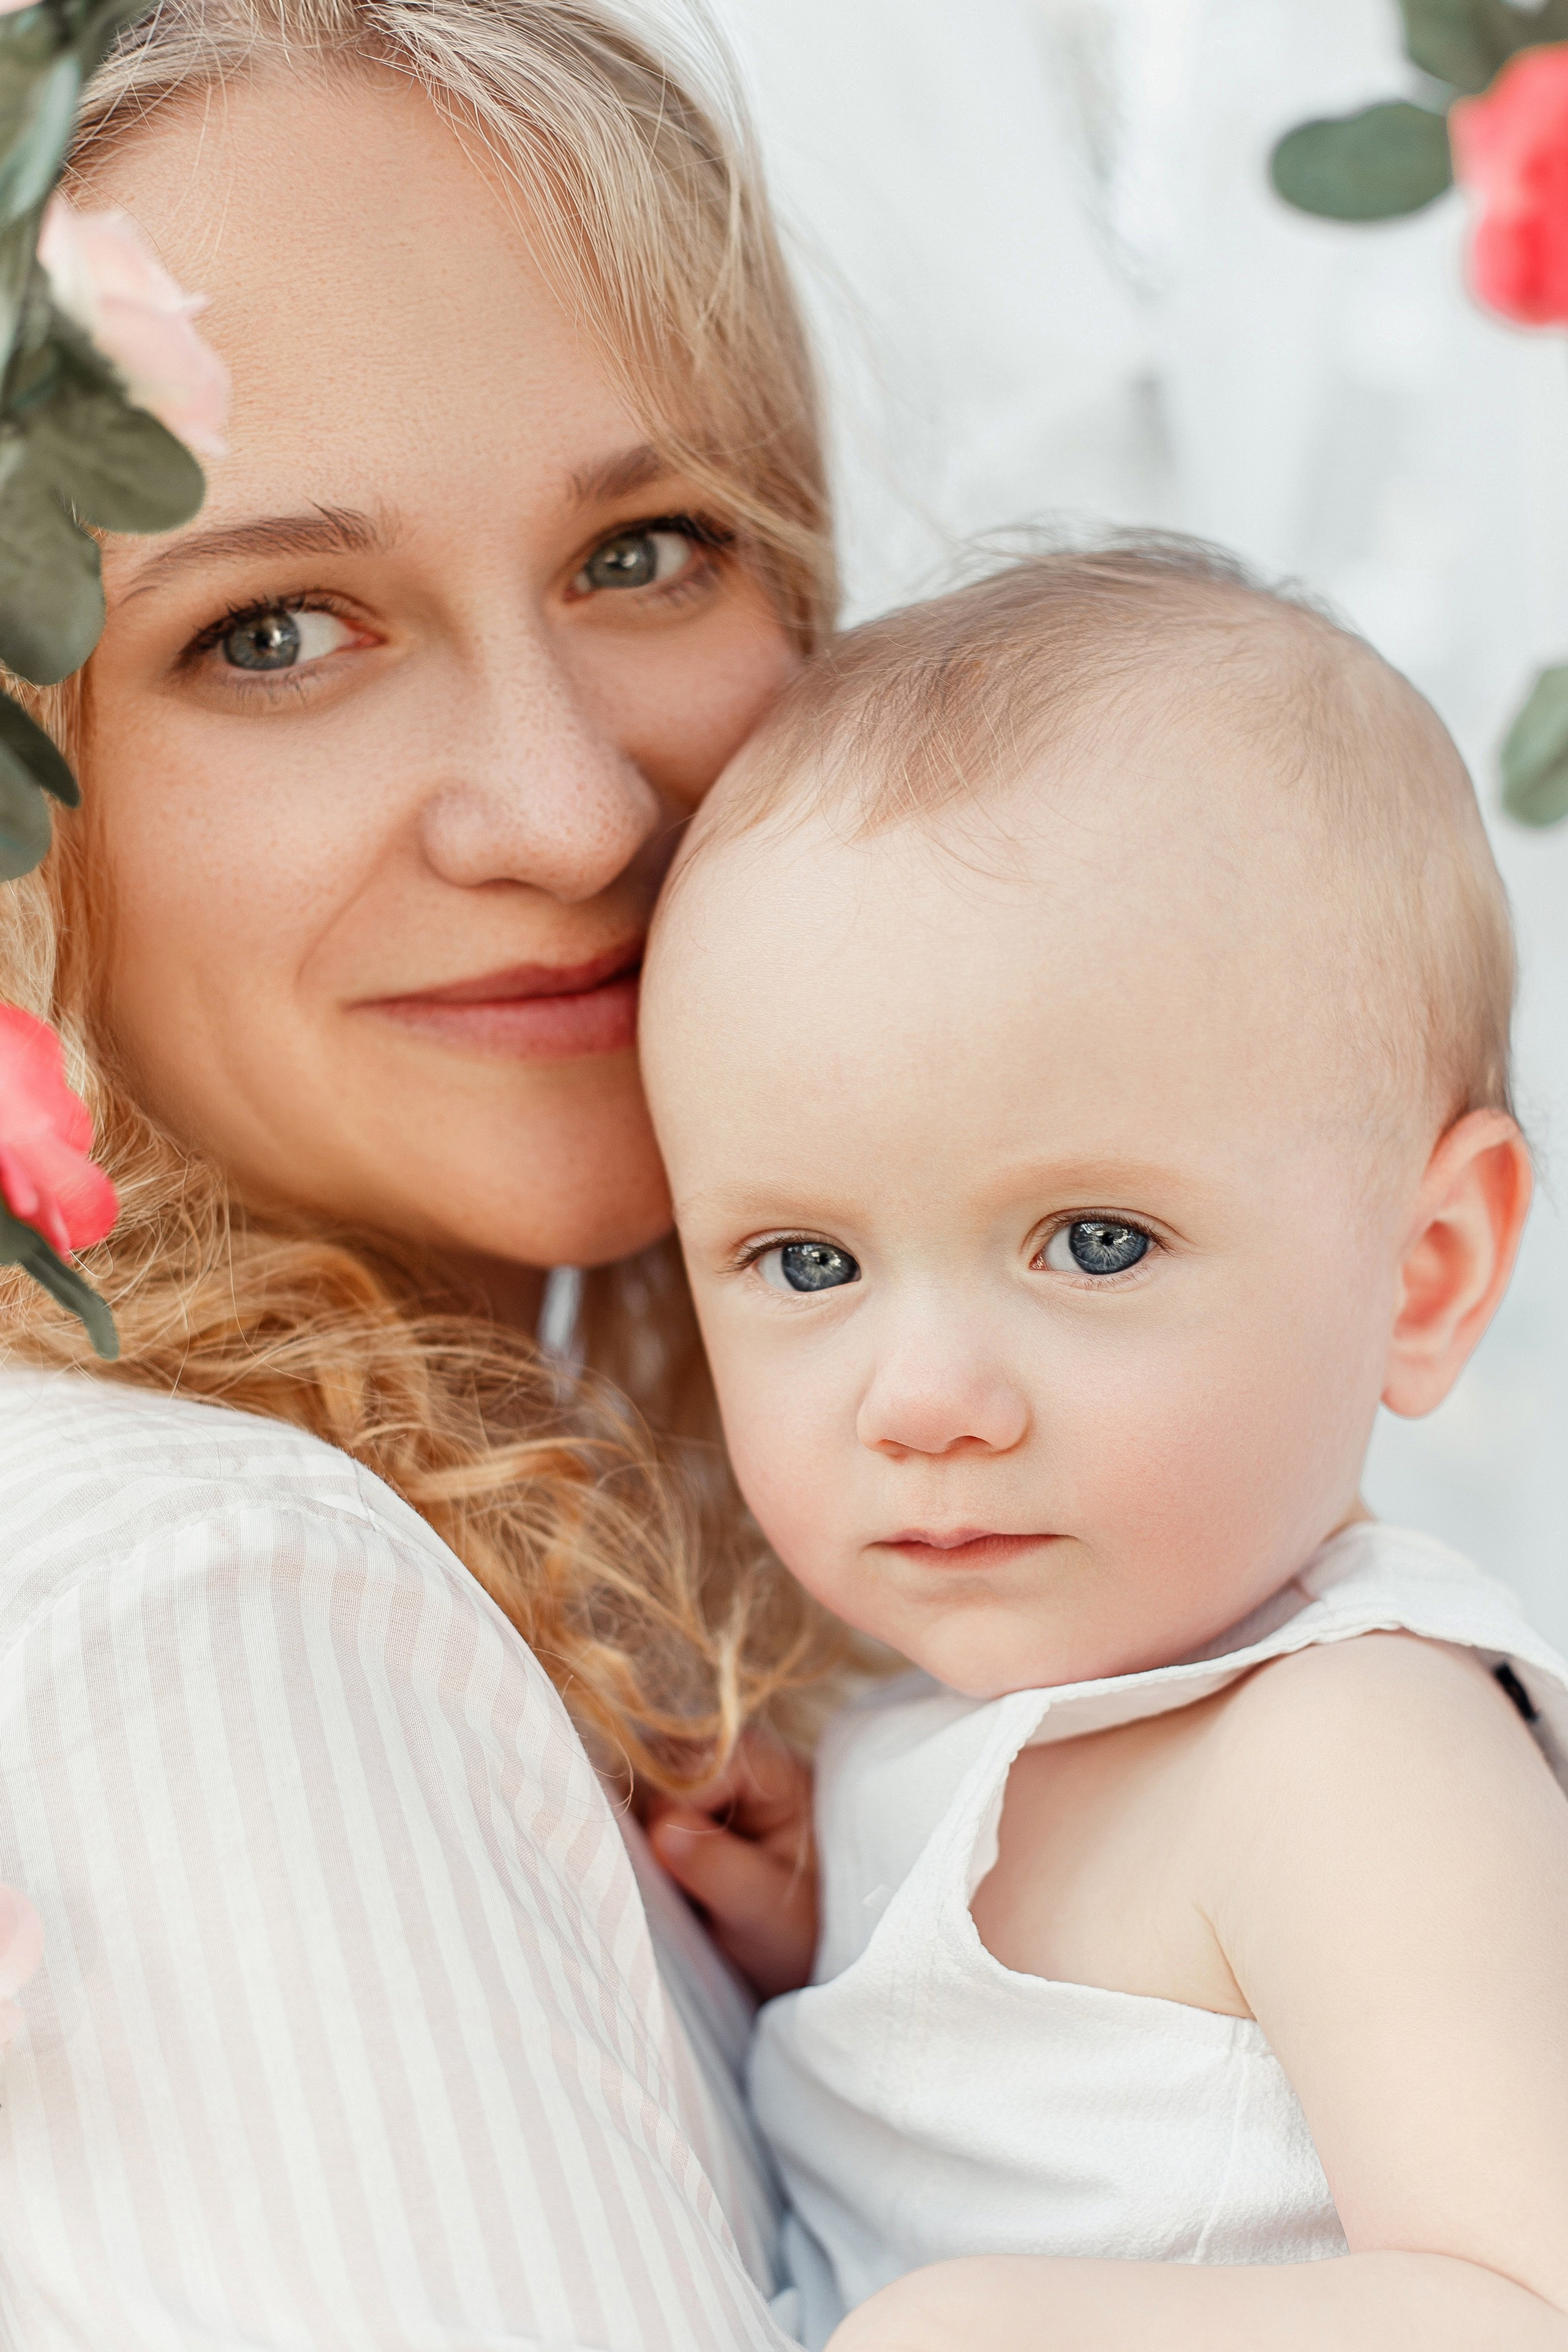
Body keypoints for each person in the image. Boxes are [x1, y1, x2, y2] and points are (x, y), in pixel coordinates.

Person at [0, 2, 845, 2343]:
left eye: (651, 547)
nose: (574, 814)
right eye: (270, 632)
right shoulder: (212, 1597)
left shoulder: (592, 1586)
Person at [639, 543, 1568, 2351]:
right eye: (805, 1263)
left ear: (1425, 1272)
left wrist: (967, 2331)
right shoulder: (945, 1738)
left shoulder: (1351, 1746)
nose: (925, 1400)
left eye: (1095, 1244)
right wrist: (839, 1914)